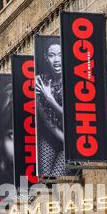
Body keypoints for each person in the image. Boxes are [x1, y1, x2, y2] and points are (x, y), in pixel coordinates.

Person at [35, 38, 69, 178]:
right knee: (45, 182)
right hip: (50, 137)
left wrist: (50, 99)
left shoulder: (72, 79)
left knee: (54, 180)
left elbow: (69, 116)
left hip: (72, 137)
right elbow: (47, 122)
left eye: (60, 55)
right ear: (46, 57)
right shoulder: (39, 81)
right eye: (52, 55)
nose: (56, 60)